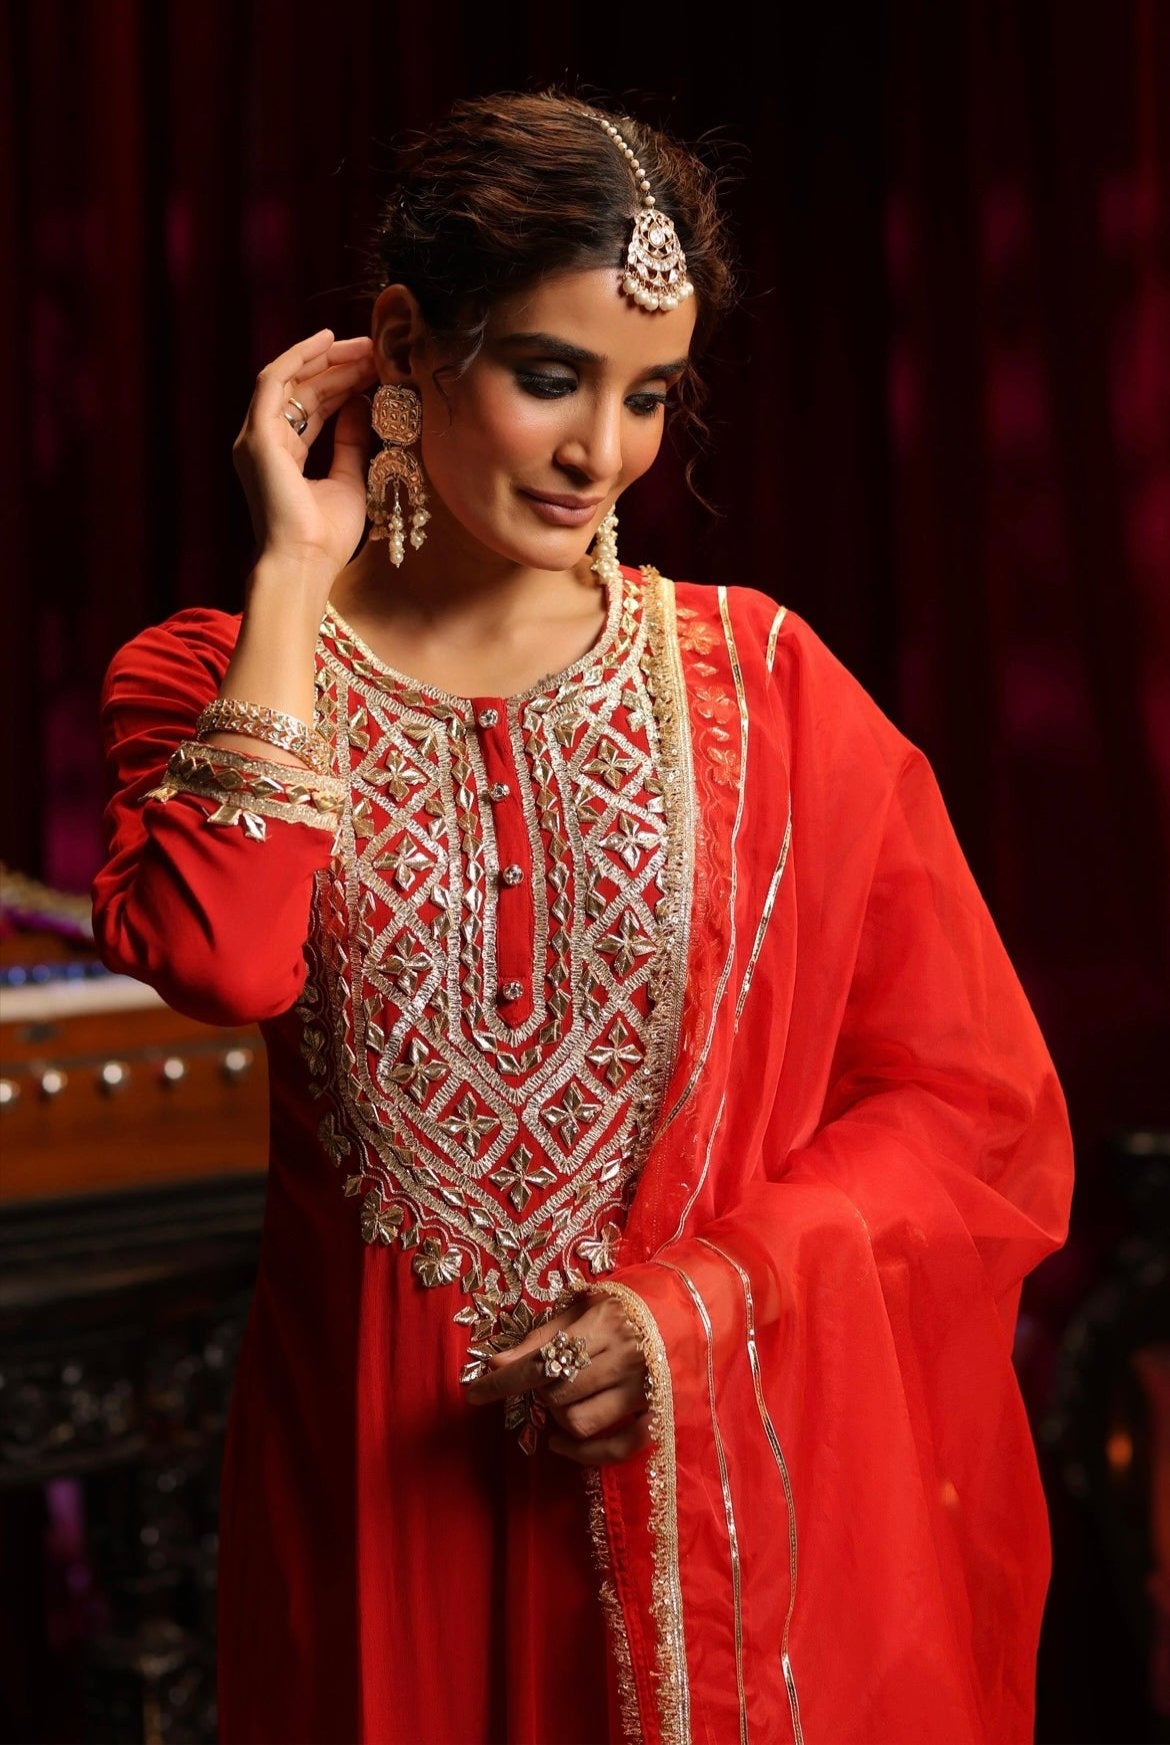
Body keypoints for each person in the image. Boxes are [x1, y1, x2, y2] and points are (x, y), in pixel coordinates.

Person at [91, 89, 1074, 1745]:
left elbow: (970, 1107)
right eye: (550, 374)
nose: (600, 450)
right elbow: (219, 954)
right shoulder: (209, 677)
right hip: (366, 1521)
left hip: (690, 1482)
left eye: (647, 394)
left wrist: (700, 1303)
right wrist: (288, 572)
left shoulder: (768, 691)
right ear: (402, 339)